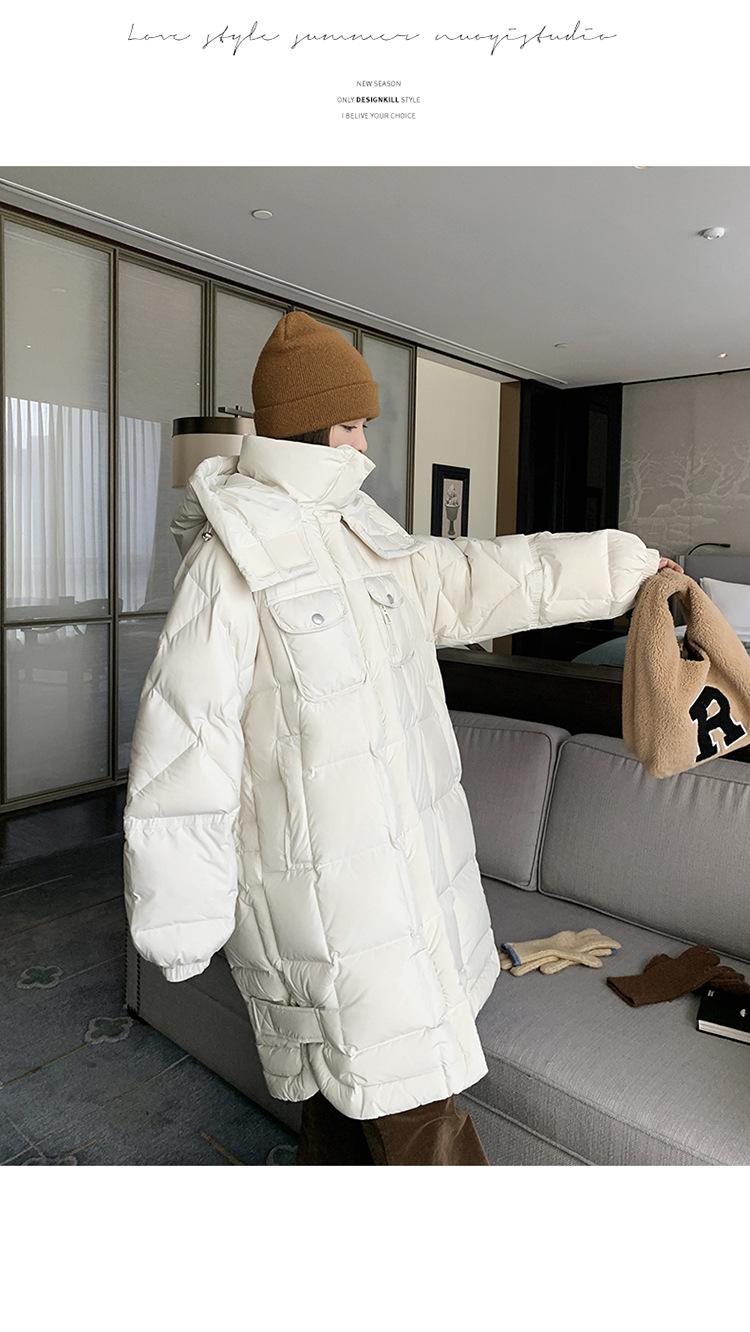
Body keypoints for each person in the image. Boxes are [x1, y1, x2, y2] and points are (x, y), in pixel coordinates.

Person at [122, 311, 680, 1166]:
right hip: (323, 901)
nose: (362, 444)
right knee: (413, 1108)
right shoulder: (231, 560)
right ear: (305, 426)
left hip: (409, 881)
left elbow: (480, 576)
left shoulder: (360, 532)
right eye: (350, 424)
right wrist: (181, 916)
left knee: (356, 1100)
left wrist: (627, 568)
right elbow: (185, 747)